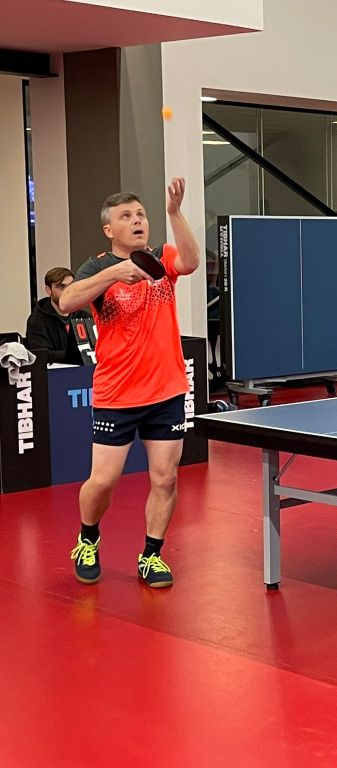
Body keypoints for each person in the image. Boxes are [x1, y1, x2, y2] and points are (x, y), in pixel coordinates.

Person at [60, 178, 201, 587]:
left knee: (166, 478)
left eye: (141, 214)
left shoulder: (161, 258)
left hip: (167, 390)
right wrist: (117, 273)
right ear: (110, 229)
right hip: (117, 394)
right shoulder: (97, 268)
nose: (137, 220)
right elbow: (66, 303)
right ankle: (88, 537)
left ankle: (151, 555)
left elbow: (191, 262)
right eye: (126, 216)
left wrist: (175, 212)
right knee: (103, 481)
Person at [25, 267, 90, 364]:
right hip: (53, 372)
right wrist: (76, 355)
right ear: (48, 290)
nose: (68, 291)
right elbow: (41, 355)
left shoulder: (84, 317)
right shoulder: (37, 320)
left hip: (85, 371)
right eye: (61, 287)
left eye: (71, 286)